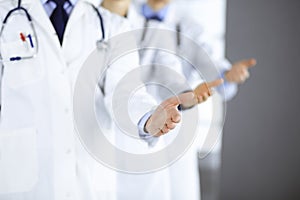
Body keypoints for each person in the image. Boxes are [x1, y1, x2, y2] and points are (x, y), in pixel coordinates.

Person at [0, 0, 208, 199]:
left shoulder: (112, 25)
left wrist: (148, 118)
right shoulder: (5, 17)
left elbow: (125, 91)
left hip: (87, 176)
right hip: (22, 175)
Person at [131, 0, 257, 199]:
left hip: (176, 125)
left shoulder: (188, 27)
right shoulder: (122, 15)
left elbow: (212, 67)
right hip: (131, 124)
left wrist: (228, 75)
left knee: (178, 191)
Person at [101, 0, 225, 200]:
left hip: (145, 131)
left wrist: (187, 96)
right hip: (96, 142)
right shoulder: (82, 21)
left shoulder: (157, 30)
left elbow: (169, 72)